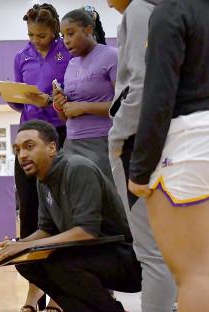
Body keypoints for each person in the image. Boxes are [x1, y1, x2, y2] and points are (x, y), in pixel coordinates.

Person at [0, 120, 141, 312]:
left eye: (29, 146)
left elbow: (87, 232)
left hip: (127, 258)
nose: (22, 155)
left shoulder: (78, 169)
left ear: (52, 147)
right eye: (17, 150)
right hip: (91, 253)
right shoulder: (42, 179)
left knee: (60, 264)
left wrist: (28, 245)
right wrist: (17, 245)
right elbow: (47, 229)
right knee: (25, 263)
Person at [128, 0, 209, 311]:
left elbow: (159, 95)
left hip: (191, 142)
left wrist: (139, 168)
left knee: (195, 275)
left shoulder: (172, 11)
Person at [0, 4, 72, 310]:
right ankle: (35, 290)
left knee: (60, 210)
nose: (36, 39)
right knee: (28, 210)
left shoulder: (66, 53)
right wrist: (16, 96)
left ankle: (60, 293)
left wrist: (52, 99)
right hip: (28, 133)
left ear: (53, 30)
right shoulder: (21, 57)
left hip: (60, 133)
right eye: (30, 34)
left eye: (41, 35)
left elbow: (75, 92)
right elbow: (18, 105)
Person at [106, 1, 177, 311]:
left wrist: (118, 134)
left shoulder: (138, 10)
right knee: (180, 249)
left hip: (140, 141)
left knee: (153, 252)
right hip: (178, 136)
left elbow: (142, 82)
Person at [53, 8, 117, 183]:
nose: (66, 41)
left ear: (89, 30)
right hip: (72, 143)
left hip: (103, 142)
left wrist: (83, 107)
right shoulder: (71, 65)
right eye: (63, 36)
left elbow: (125, 107)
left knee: (107, 202)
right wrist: (60, 104)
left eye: (71, 34)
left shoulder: (111, 56)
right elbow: (67, 117)